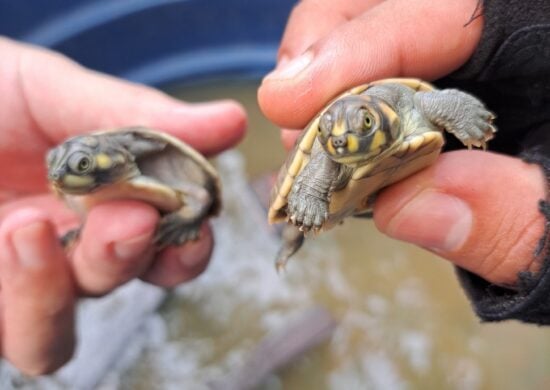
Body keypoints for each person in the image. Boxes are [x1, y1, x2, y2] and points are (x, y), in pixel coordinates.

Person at [258, 0, 550, 324]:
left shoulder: (411, 105)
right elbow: (323, 158)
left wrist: (470, 120)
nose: (343, 140)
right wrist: (310, 193)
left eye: (364, 125)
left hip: (395, 174)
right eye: (334, 137)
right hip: (342, 187)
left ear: (383, 115)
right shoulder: (333, 149)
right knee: (304, 212)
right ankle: (292, 233)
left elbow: (441, 102)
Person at [0, 36, 247, 374]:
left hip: (165, 191)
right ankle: (82, 232)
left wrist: (187, 220)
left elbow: (200, 195)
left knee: (148, 239)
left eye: (82, 165)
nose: (60, 175)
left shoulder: (148, 156)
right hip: (105, 208)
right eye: (56, 166)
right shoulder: (81, 184)